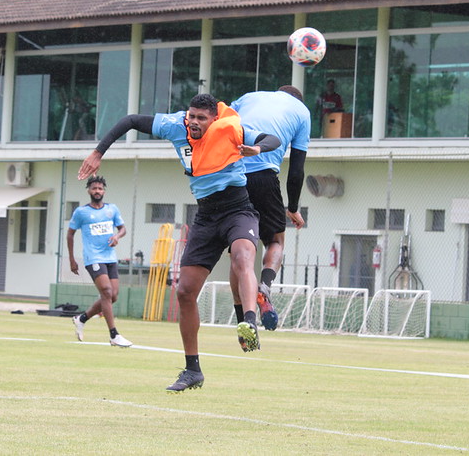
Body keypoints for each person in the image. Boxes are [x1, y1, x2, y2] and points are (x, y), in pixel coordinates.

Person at [78, 93, 280, 392]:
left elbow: (272, 138)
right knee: (184, 291)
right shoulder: (176, 125)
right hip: (206, 216)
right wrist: (99, 152)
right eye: (192, 116)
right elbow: (131, 121)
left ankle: (248, 322)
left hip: (238, 209)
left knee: (242, 257)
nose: (194, 123)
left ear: (213, 119)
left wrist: (256, 148)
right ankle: (192, 370)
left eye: (201, 118)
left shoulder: (229, 127)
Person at [229, 86, 311, 331]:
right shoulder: (302, 113)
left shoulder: (248, 96)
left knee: (239, 254)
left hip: (231, 176)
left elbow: (220, 125)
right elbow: (296, 170)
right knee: (275, 241)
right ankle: (264, 285)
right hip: (263, 176)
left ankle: (243, 320)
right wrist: (293, 207)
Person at [68, 175, 132, 348]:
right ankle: (114, 335)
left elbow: (123, 229)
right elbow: (70, 234)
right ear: (89, 190)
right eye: (94, 188)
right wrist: (72, 259)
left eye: (100, 188)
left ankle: (81, 319)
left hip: (110, 257)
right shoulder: (81, 212)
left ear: (104, 191)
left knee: (113, 296)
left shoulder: (112, 209)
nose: (97, 191)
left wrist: (117, 236)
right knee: (106, 291)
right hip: (93, 257)